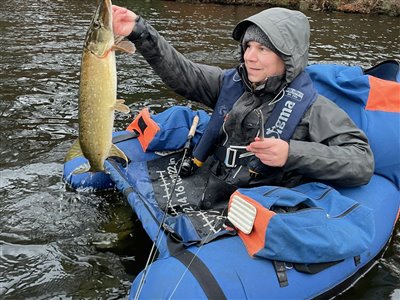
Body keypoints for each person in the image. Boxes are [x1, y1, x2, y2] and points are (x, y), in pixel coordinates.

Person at [112, 6, 374, 208]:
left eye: (262, 49)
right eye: (248, 46)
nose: (250, 56)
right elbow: (183, 74)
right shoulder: (230, 84)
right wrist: (140, 31)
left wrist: (291, 152)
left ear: (287, 57)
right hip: (214, 180)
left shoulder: (315, 108)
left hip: (259, 199)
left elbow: (361, 161)